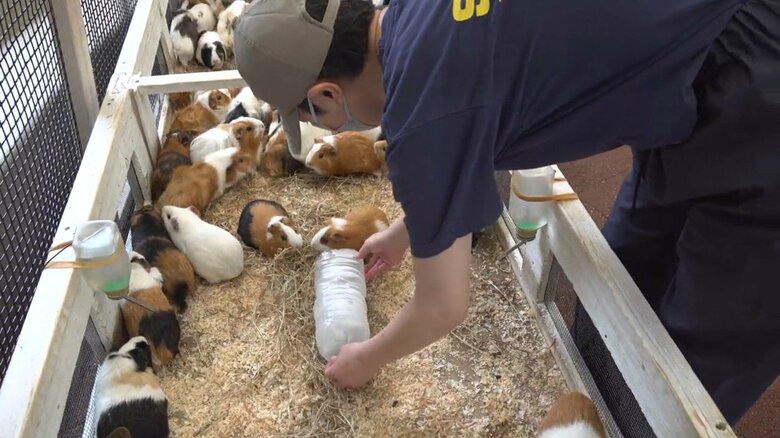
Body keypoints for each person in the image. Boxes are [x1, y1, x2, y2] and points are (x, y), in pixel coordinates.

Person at [234, 0, 780, 428]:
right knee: (624, 272)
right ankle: (597, 409)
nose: (329, 128)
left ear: (328, 94)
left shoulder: (423, 113)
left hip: (757, 82)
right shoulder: (413, 20)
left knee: (703, 354)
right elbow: (474, 120)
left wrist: (366, 359)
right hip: (689, 68)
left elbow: (443, 307)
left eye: (316, 117)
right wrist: (408, 230)